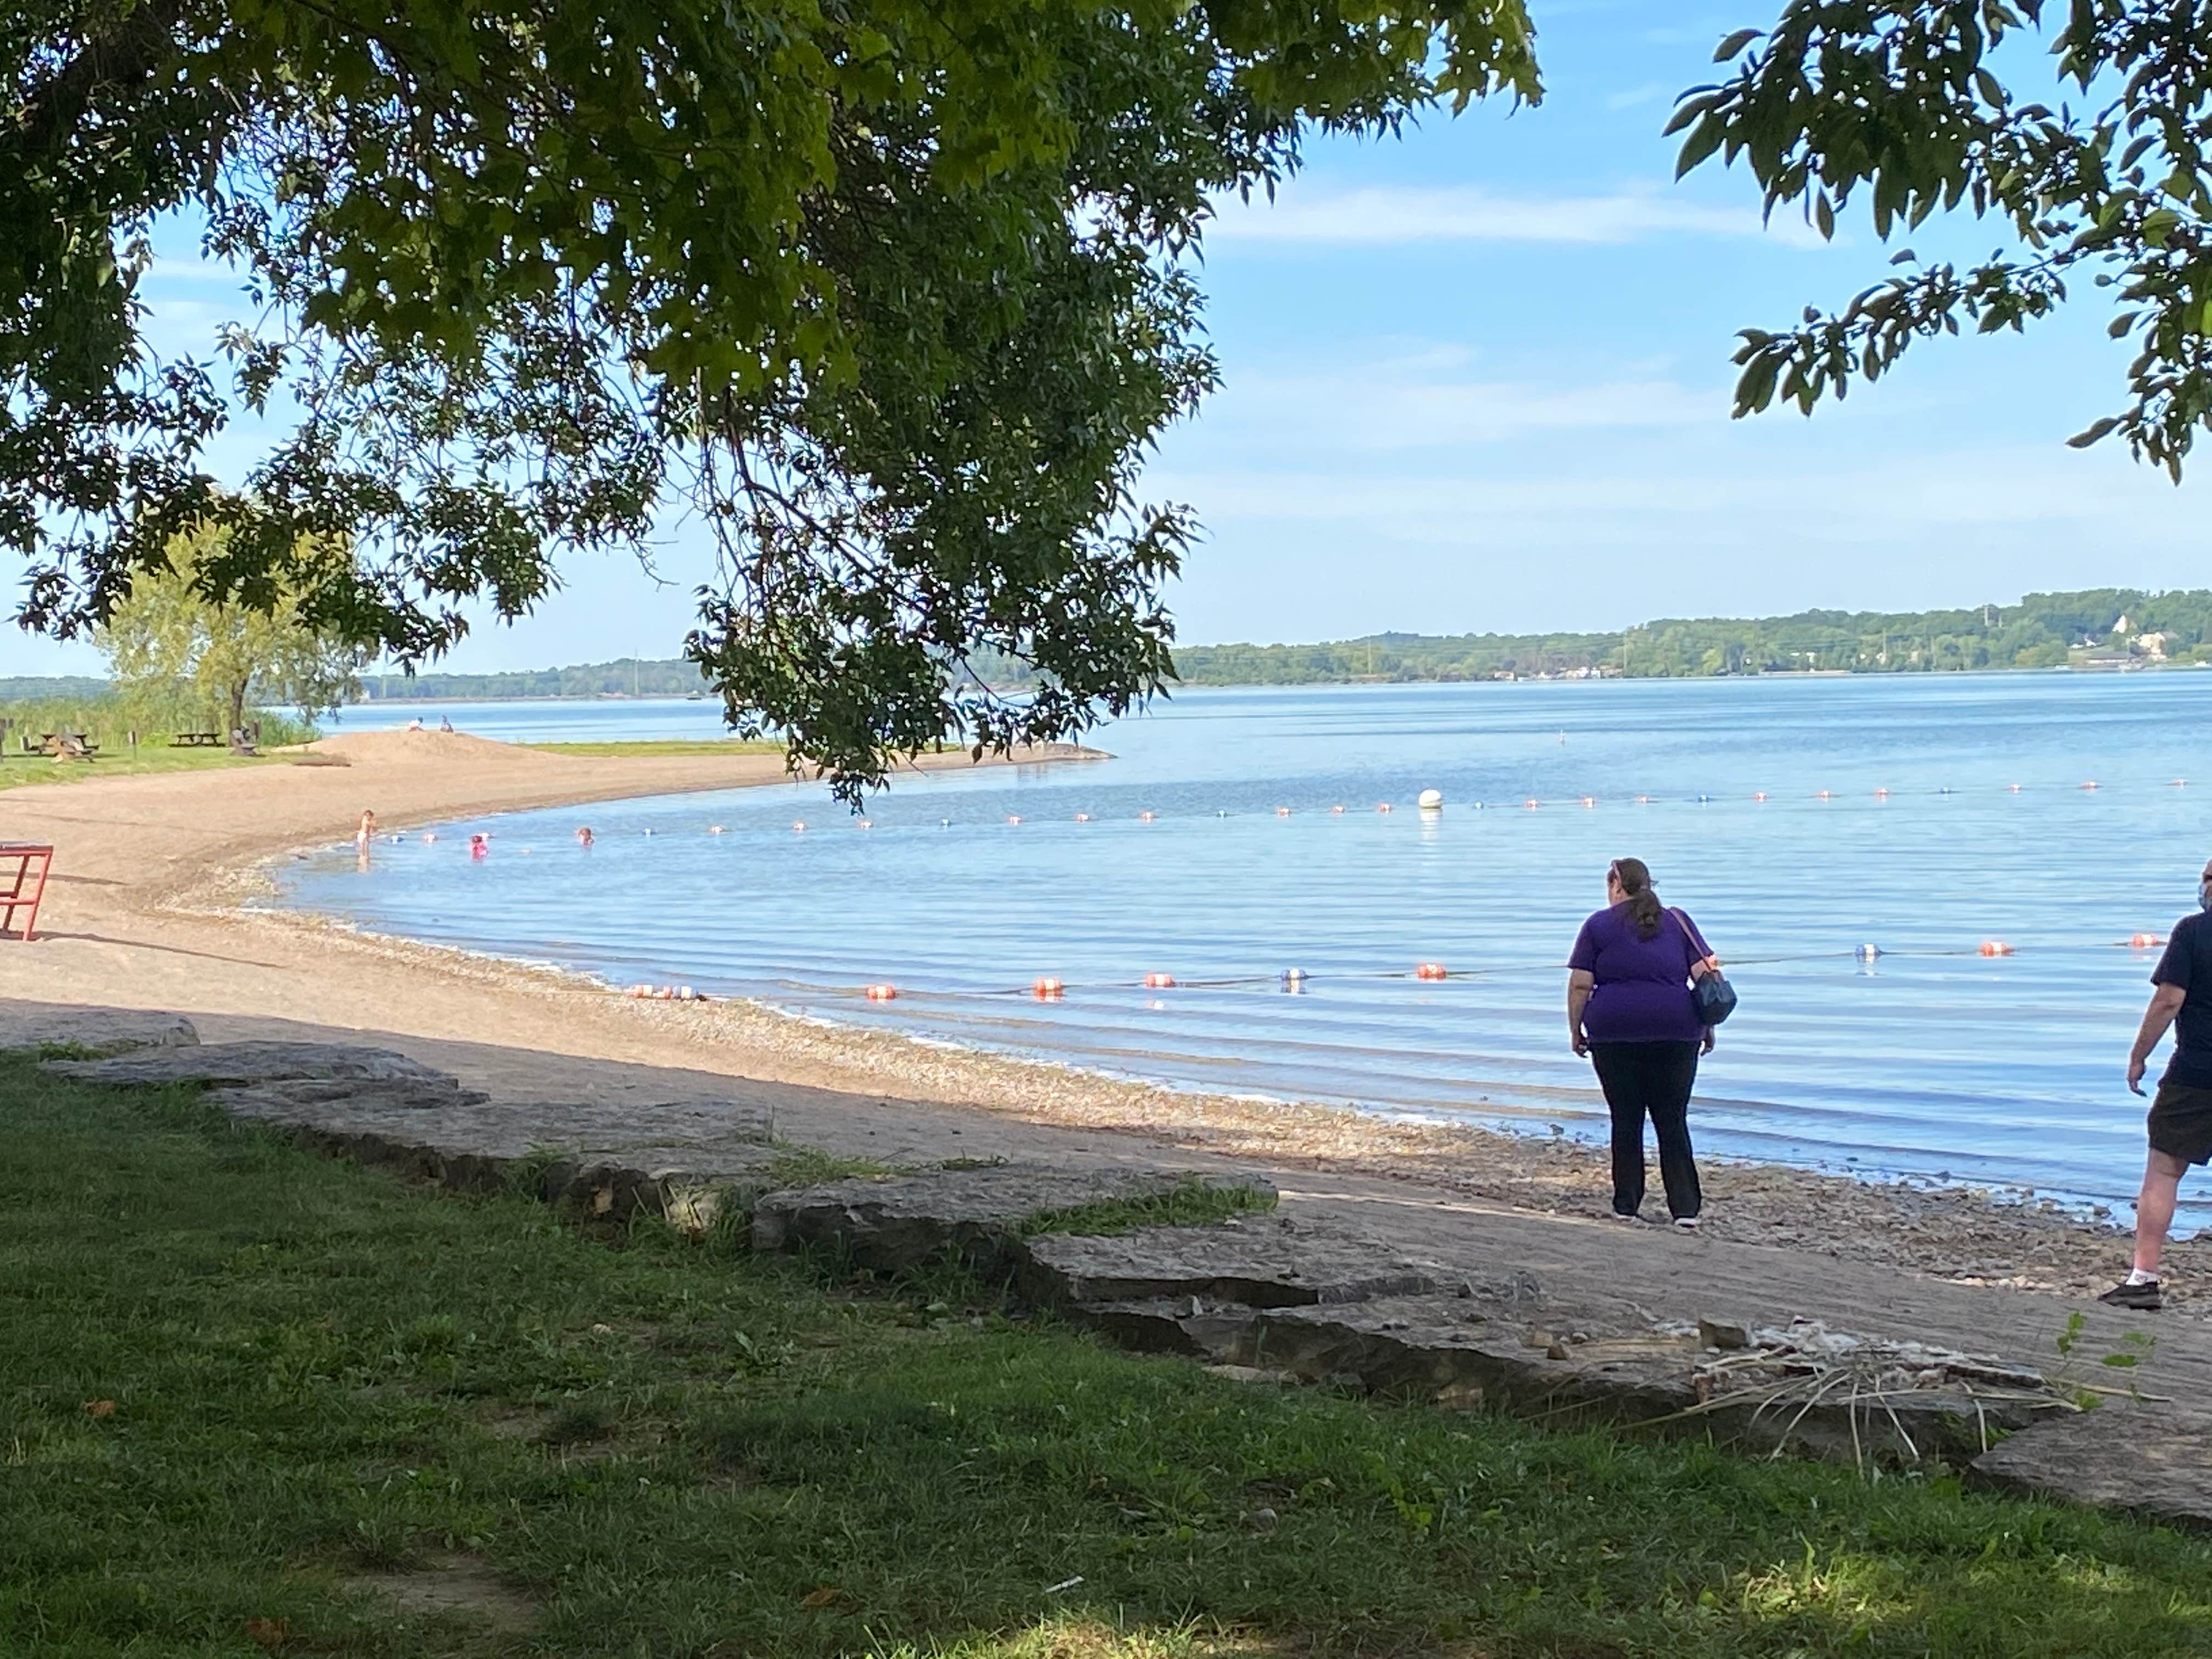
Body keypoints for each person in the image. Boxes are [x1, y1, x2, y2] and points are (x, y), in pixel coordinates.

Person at [1566, 857, 1723, 1228]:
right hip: (1676, 1030)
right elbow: (1706, 977)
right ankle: (1685, 1210)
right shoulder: (1678, 920)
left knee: (1626, 1118)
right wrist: (1708, 1025)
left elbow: (1580, 985)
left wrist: (1575, 1029)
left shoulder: (1597, 925)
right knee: (1672, 1121)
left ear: (1616, 887)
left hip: (1614, 1033)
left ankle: (1626, 1205)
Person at [2105, 854, 2212, 1311]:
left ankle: (2143, 1278)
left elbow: (2169, 1000)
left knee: (2164, 1171)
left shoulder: (2193, 931)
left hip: (2197, 1072)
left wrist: (2138, 1056)